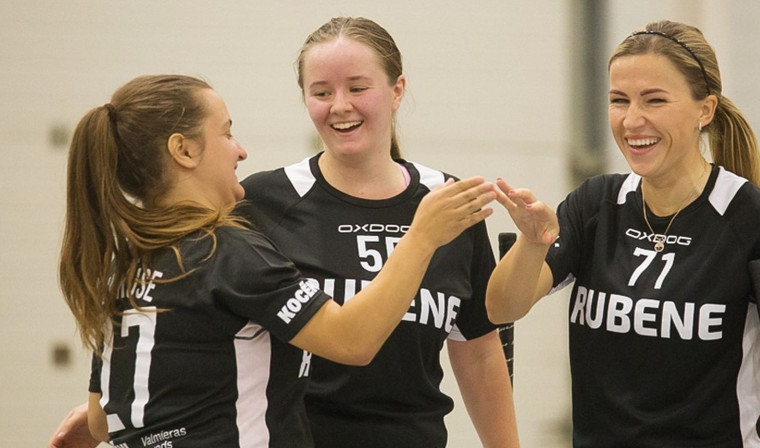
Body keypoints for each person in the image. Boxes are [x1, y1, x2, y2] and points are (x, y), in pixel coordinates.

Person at [53, 74, 496, 447]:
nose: (240, 150)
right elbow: (352, 341)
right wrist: (421, 237)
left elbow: (98, 418)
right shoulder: (225, 252)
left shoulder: (124, 264)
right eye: (226, 132)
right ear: (183, 151)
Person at [485, 19, 760, 447]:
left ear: (704, 110)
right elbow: (502, 307)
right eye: (619, 100)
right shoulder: (597, 204)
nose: (632, 120)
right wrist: (532, 244)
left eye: (654, 100)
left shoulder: (758, 222)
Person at [239, 17, 519, 448]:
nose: (340, 106)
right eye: (321, 92)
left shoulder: (444, 200)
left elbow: (479, 351)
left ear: (397, 91)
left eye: (357, 87)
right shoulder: (263, 200)